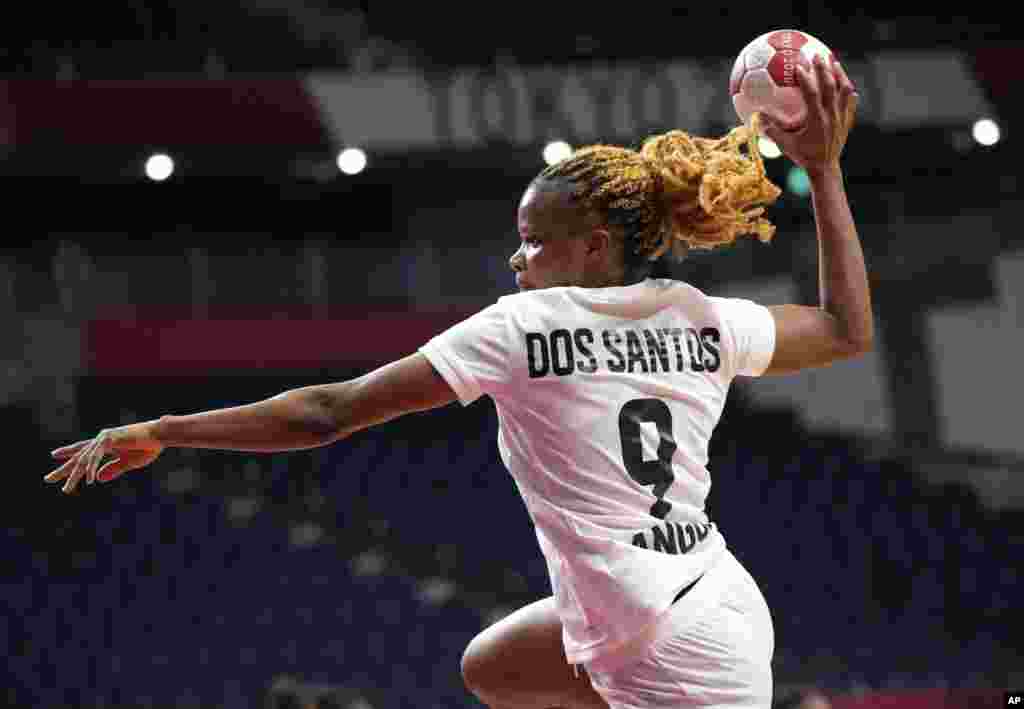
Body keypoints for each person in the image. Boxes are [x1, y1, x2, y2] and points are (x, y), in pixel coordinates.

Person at [46, 55, 865, 708]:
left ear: (590, 247)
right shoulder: (698, 314)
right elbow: (843, 329)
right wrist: (823, 173)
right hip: (701, 596)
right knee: (494, 667)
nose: (518, 259)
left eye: (533, 241)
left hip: (684, 659)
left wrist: (162, 427)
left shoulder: (521, 328)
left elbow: (327, 413)